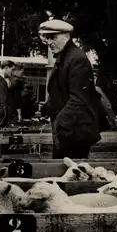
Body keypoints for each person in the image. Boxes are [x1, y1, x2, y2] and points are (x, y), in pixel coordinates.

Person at [39, 19, 102, 159]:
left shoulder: (76, 59)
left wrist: (59, 123)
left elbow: (79, 100)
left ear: (66, 36)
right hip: (69, 129)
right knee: (62, 171)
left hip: (75, 132)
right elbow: (61, 90)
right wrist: (48, 107)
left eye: (53, 37)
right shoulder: (66, 57)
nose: (49, 42)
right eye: (47, 38)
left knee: (71, 174)